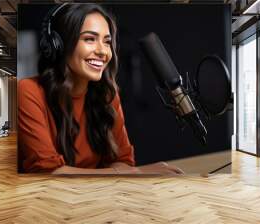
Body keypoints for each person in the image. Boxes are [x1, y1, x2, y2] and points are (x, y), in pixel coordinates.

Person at [18, 3, 184, 175]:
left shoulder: (107, 94)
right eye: (90, 39)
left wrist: (128, 172)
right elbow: (48, 173)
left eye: (107, 42)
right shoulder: (28, 91)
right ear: (58, 44)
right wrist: (137, 173)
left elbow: (122, 161)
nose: (103, 51)